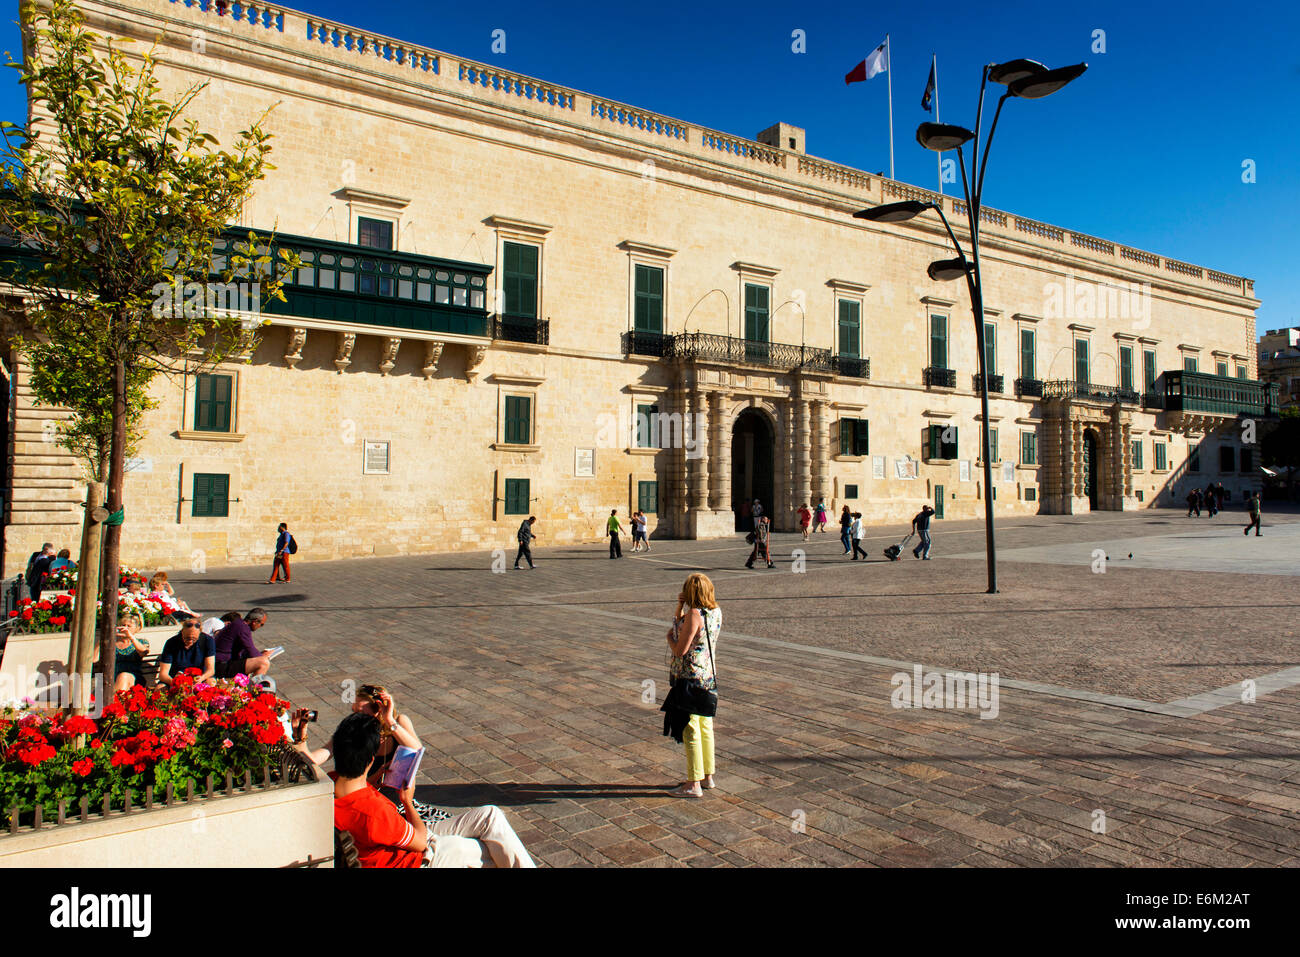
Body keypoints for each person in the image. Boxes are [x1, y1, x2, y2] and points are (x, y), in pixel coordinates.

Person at [326, 712, 535, 868]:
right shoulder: (374, 812)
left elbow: (355, 801)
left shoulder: (329, 785)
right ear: (370, 759)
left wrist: (372, 779)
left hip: (399, 840)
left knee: (490, 815)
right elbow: (419, 841)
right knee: (486, 849)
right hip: (418, 858)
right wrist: (407, 801)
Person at [663, 573, 722, 799]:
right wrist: (680, 606)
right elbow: (682, 625)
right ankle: (708, 776)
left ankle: (692, 783)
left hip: (690, 678)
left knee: (690, 729)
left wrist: (670, 639)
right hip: (708, 676)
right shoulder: (715, 612)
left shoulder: (694, 615)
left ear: (690, 593)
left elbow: (680, 649)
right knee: (705, 727)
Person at [214, 608, 272, 678]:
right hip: (221, 665)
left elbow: (247, 650)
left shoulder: (239, 623)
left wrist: (260, 654)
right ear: (255, 621)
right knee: (263, 663)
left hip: (220, 662)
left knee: (257, 660)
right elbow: (251, 650)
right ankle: (255, 688)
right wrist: (263, 656)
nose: (260, 627)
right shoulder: (243, 628)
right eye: (261, 624)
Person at [157, 617, 216, 688]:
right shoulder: (171, 643)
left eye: (194, 639)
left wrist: (201, 678)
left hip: (199, 677)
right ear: (182, 632)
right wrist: (175, 683)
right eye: (187, 638)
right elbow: (163, 674)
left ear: (199, 634)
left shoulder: (207, 641)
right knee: (160, 688)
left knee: (211, 683)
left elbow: (211, 669)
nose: (190, 641)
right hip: (175, 678)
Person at [112, 612, 149, 692]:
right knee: (99, 680)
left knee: (123, 676)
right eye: (123, 625)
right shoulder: (112, 643)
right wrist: (107, 637)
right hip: (111, 677)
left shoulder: (142, 642)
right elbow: (94, 659)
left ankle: (115, 703)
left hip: (134, 678)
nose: (125, 628)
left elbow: (143, 652)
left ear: (137, 629)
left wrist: (131, 637)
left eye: (128, 626)